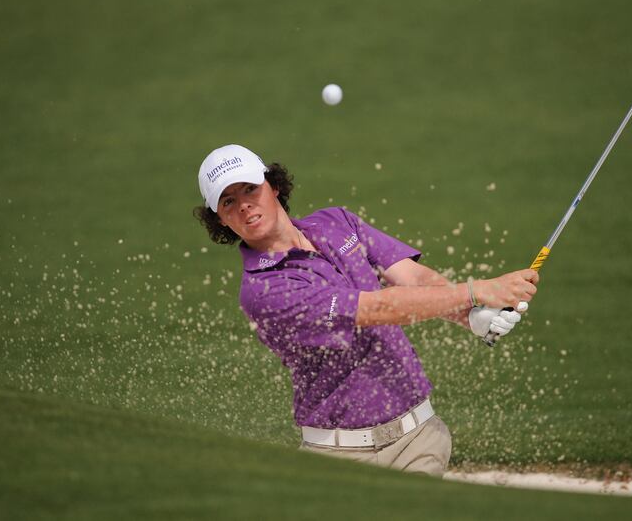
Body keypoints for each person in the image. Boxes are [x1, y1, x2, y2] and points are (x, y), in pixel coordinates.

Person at [194, 144, 538, 478]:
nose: (244, 205)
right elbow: (377, 308)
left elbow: (412, 277)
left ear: (274, 186)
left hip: (420, 438)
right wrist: (477, 291)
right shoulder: (263, 290)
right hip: (341, 459)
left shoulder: (335, 221)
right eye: (228, 201)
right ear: (221, 220)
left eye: (250, 189)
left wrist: (469, 315)